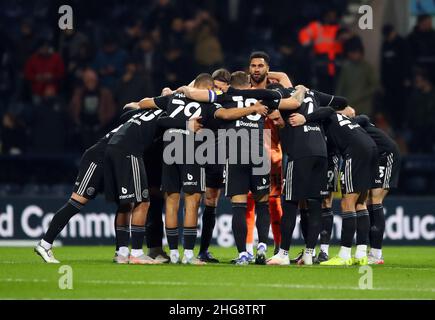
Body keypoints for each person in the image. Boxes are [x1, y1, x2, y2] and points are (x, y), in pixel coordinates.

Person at [137, 73, 269, 265]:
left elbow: (144, 104)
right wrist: (253, 109)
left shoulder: (174, 97)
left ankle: (174, 253)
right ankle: (189, 255)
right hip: (193, 151)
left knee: (172, 201)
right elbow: (226, 114)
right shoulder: (209, 103)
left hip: (170, 149)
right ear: (208, 89)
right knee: (193, 201)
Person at [34, 106, 145, 263]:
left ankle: (121, 251)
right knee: (76, 203)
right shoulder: (145, 122)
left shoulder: (138, 120)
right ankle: (44, 244)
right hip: (98, 158)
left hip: (114, 160)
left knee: (126, 203)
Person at [290, 106, 378, 266]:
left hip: (355, 151)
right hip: (371, 147)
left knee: (347, 203)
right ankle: (361, 253)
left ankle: (344, 255)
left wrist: (305, 118)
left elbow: (328, 110)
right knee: (360, 203)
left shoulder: (326, 117)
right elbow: (362, 118)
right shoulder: (342, 120)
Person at [354, 114, 401, 264]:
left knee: (375, 199)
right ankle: (373, 252)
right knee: (368, 201)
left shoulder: (355, 122)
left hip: (387, 155)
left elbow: (365, 118)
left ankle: (376, 254)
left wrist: (349, 119)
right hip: (376, 157)